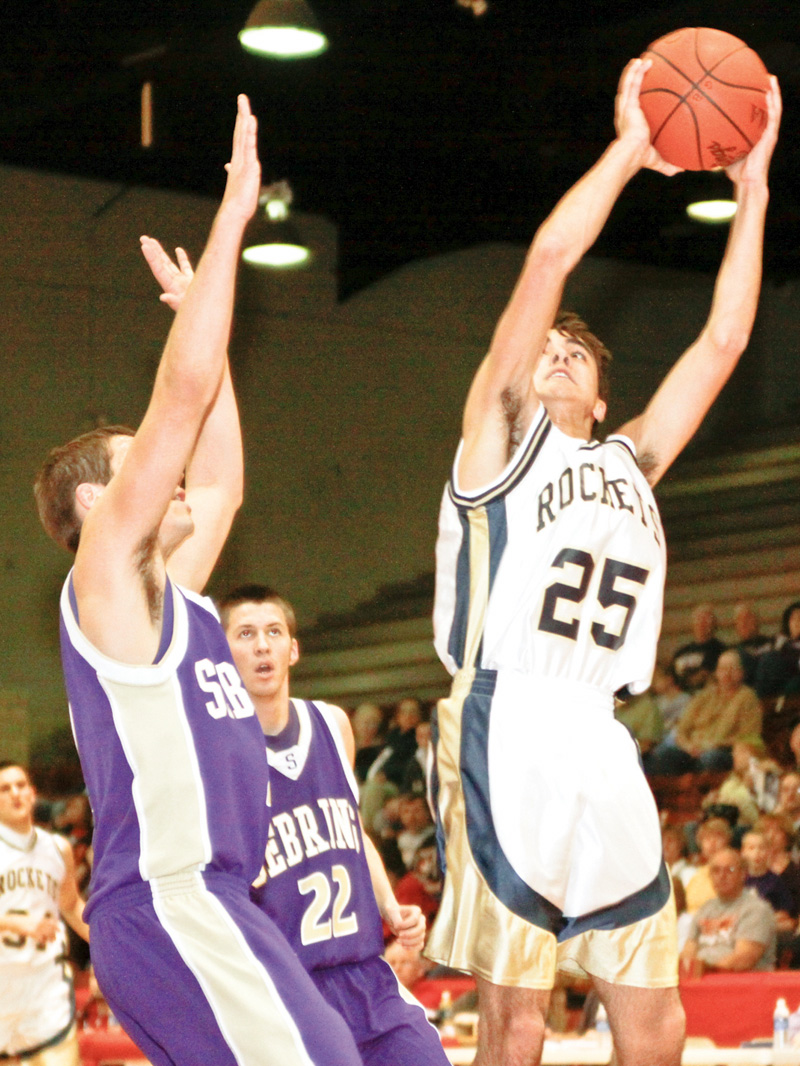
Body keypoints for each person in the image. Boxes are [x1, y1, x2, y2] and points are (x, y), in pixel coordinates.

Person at [428, 55, 781, 1066]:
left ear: (597, 393)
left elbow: (720, 339)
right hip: (508, 712)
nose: (554, 351)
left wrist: (751, 189)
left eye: (576, 354)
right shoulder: (498, 441)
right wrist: (631, 146)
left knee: (655, 1016)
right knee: (518, 1016)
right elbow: (545, 260)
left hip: (598, 727)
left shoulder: (630, 455)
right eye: (545, 345)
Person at [33, 98, 362, 1066]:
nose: (170, 477)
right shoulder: (106, 577)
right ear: (98, 500)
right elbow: (176, 401)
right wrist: (232, 217)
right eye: (144, 467)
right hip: (171, 901)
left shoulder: (167, 595)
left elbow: (218, 476)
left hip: (214, 900)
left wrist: (204, 343)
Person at [219, 584, 450, 1066]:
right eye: (245, 633)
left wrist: (390, 905)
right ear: (223, 652)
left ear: (293, 649)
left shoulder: (331, 724)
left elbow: (354, 833)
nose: (262, 645)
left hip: (366, 974)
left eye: (274, 632)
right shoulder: (219, 753)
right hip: (290, 990)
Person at [0, 763, 89, 1065]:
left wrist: (108, 941)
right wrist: (15, 923)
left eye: (21, 785)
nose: (15, 793)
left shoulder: (58, 848)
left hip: (44, 988)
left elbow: (71, 905)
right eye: (5, 788)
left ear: (33, 793)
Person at [647, 649, 763, 775]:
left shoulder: (748, 697)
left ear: (741, 672)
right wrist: (689, 746)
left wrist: (715, 744)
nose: (726, 674)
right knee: (662, 755)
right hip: (692, 749)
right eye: (722, 669)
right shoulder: (704, 696)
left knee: (710, 758)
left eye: (732, 669)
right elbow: (682, 730)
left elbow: (748, 736)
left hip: (722, 750)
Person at [680, 847, 777, 975]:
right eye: (716, 870)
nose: (722, 876)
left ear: (743, 874)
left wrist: (704, 969)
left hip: (740, 983)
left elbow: (743, 960)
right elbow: (689, 951)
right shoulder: (706, 908)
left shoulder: (757, 909)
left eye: (729, 870)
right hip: (703, 978)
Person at [671, 605, 727, 693]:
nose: (702, 624)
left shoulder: (721, 650)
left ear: (714, 624)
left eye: (706, 620)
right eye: (699, 620)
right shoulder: (681, 652)